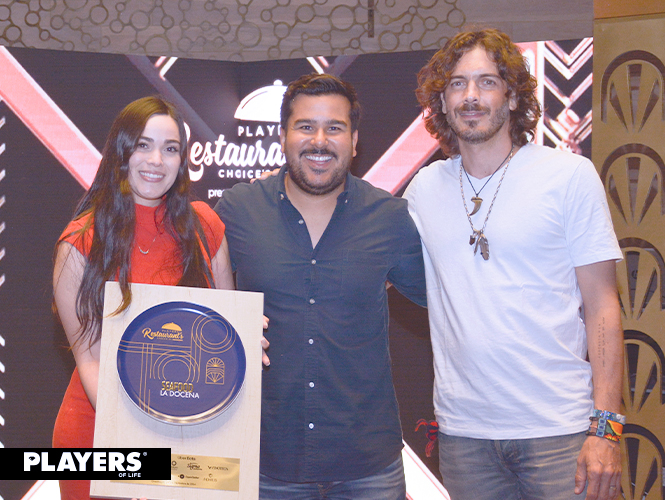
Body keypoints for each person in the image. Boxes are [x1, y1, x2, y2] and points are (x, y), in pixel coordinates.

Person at [404, 29, 624, 500]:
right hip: (464, 438)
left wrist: (606, 428)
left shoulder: (568, 176)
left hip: (560, 430)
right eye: (457, 84)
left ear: (512, 95)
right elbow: (367, 265)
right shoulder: (424, 189)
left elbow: (603, 305)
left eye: (487, 81)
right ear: (442, 102)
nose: (470, 96)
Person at [215, 73, 426, 499]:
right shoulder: (238, 210)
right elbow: (192, 307)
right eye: (306, 126)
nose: (319, 140)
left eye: (334, 128)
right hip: (266, 463)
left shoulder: (388, 217)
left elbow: (451, 299)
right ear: (282, 136)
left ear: (354, 140)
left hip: (369, 467)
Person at [52, 96, 234, 500]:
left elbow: (225, 334)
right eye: (143, 145)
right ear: (121, 151)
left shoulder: (205, 227)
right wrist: (140, 450)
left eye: (170, 148)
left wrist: (241, 338)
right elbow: (91, 361)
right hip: (100, 434)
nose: (156, 160)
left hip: (192, 434)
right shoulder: (80, 242)